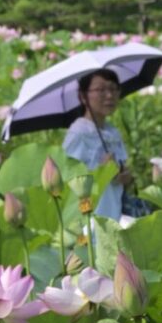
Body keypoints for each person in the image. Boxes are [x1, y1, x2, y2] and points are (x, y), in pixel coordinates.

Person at [62, 68, 133, 220]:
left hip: (113, 211)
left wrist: (125, 177)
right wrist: (102, 171)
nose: (109, 95)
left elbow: (119, 174)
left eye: (113, 89)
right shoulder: (79, 134)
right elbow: (68, 181)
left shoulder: (113, 132)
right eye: (100, 90)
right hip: (89, 217)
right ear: (82, 96)